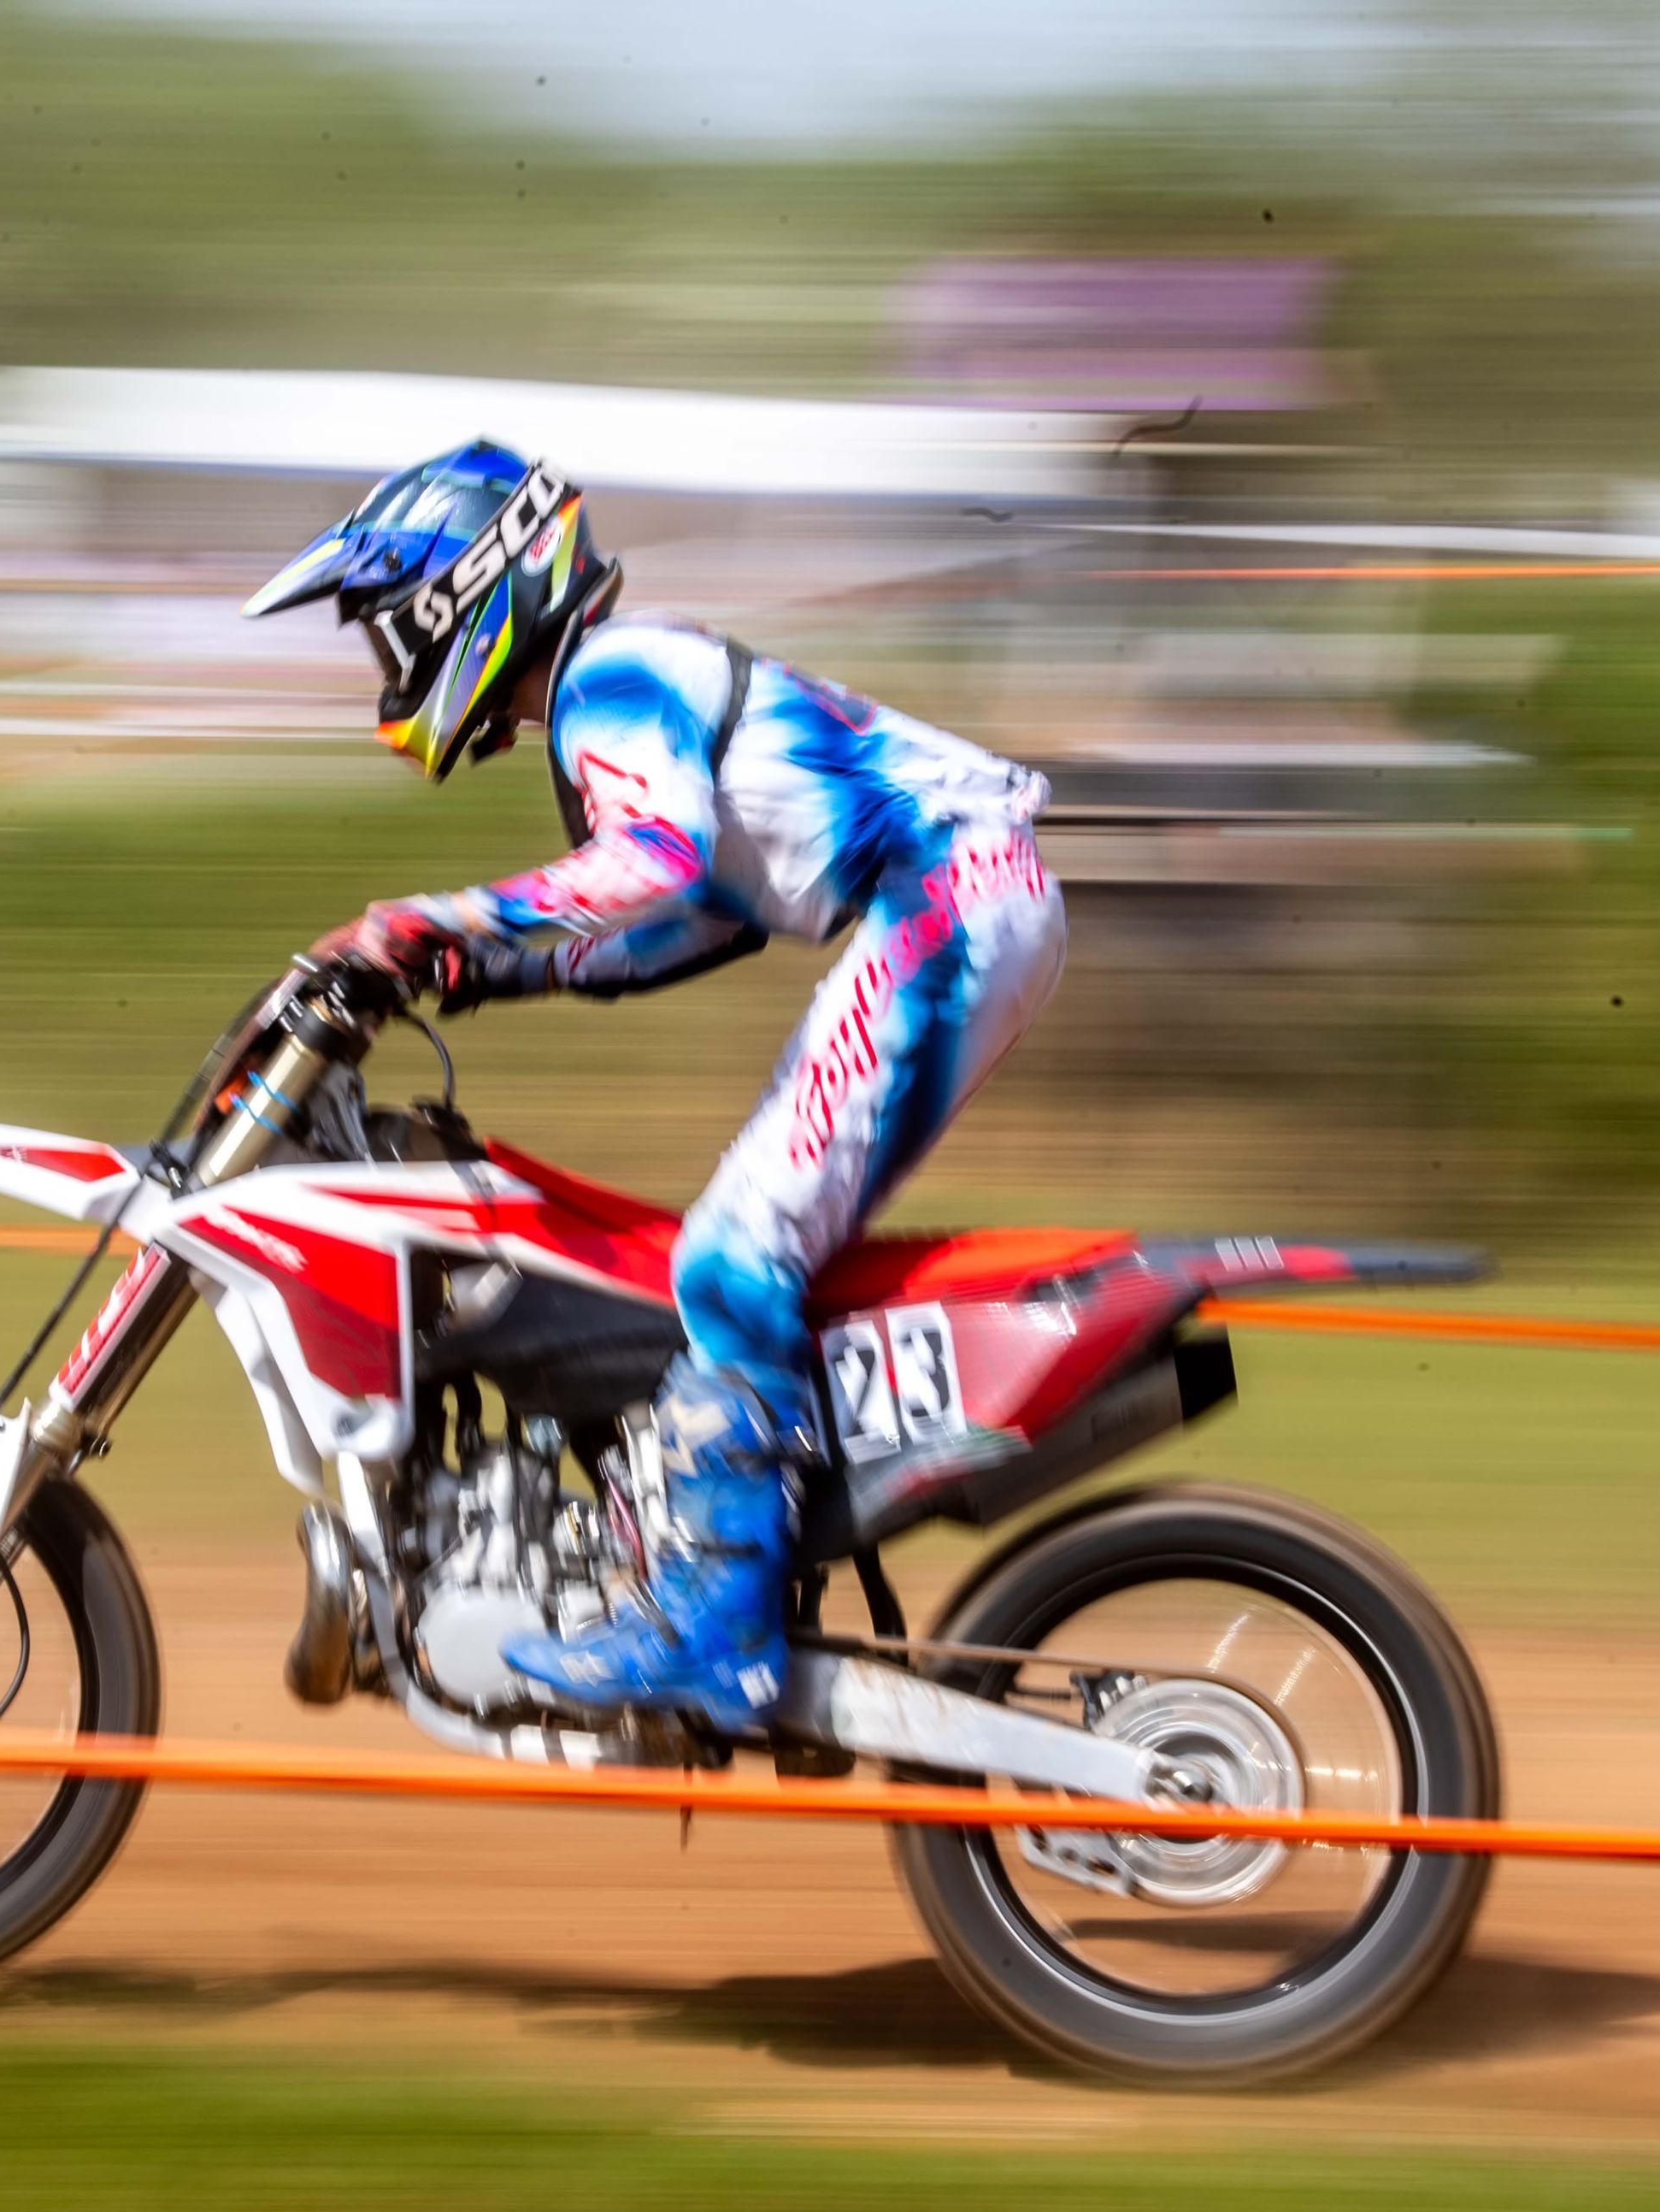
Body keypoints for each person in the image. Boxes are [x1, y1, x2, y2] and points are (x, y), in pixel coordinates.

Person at [244, 439, 1063, 1728]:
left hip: (947, 906)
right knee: (733, 1251)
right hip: (951, 906)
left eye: (388, 624)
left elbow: (661, 864)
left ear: (462, 595)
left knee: (737, 1256)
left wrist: (424, 917)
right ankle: (689, 1571)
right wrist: (490, 971)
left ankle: (709, 1630)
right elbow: (703, 919)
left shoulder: (610, 680)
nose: (386, 660)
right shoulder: (618, 687)